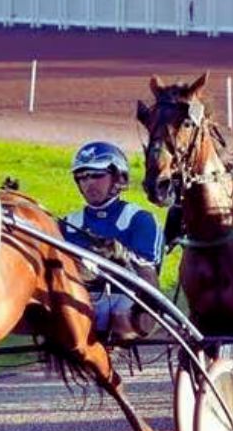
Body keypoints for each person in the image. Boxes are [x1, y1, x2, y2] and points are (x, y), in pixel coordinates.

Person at [61, 141, 162, 343]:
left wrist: (121, 256)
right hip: (80, 299)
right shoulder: (68, 223)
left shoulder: (139, 219)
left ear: (119, 178)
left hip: (129, 301)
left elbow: (148, 272)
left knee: (119, 314)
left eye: (97, 175)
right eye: (82, 177)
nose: (88, 183)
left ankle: (116, 347)